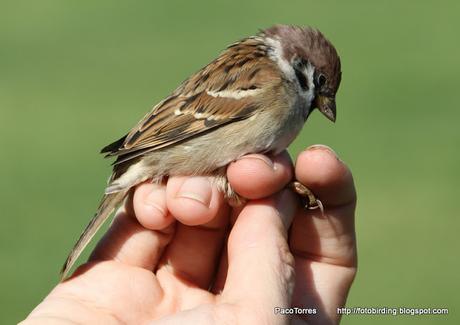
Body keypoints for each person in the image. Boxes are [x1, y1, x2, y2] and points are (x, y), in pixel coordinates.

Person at [21, 145, 357, 325]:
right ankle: (277, 192)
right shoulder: (268, 84)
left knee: (241, 183)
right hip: (170, 147)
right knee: (249, 184)